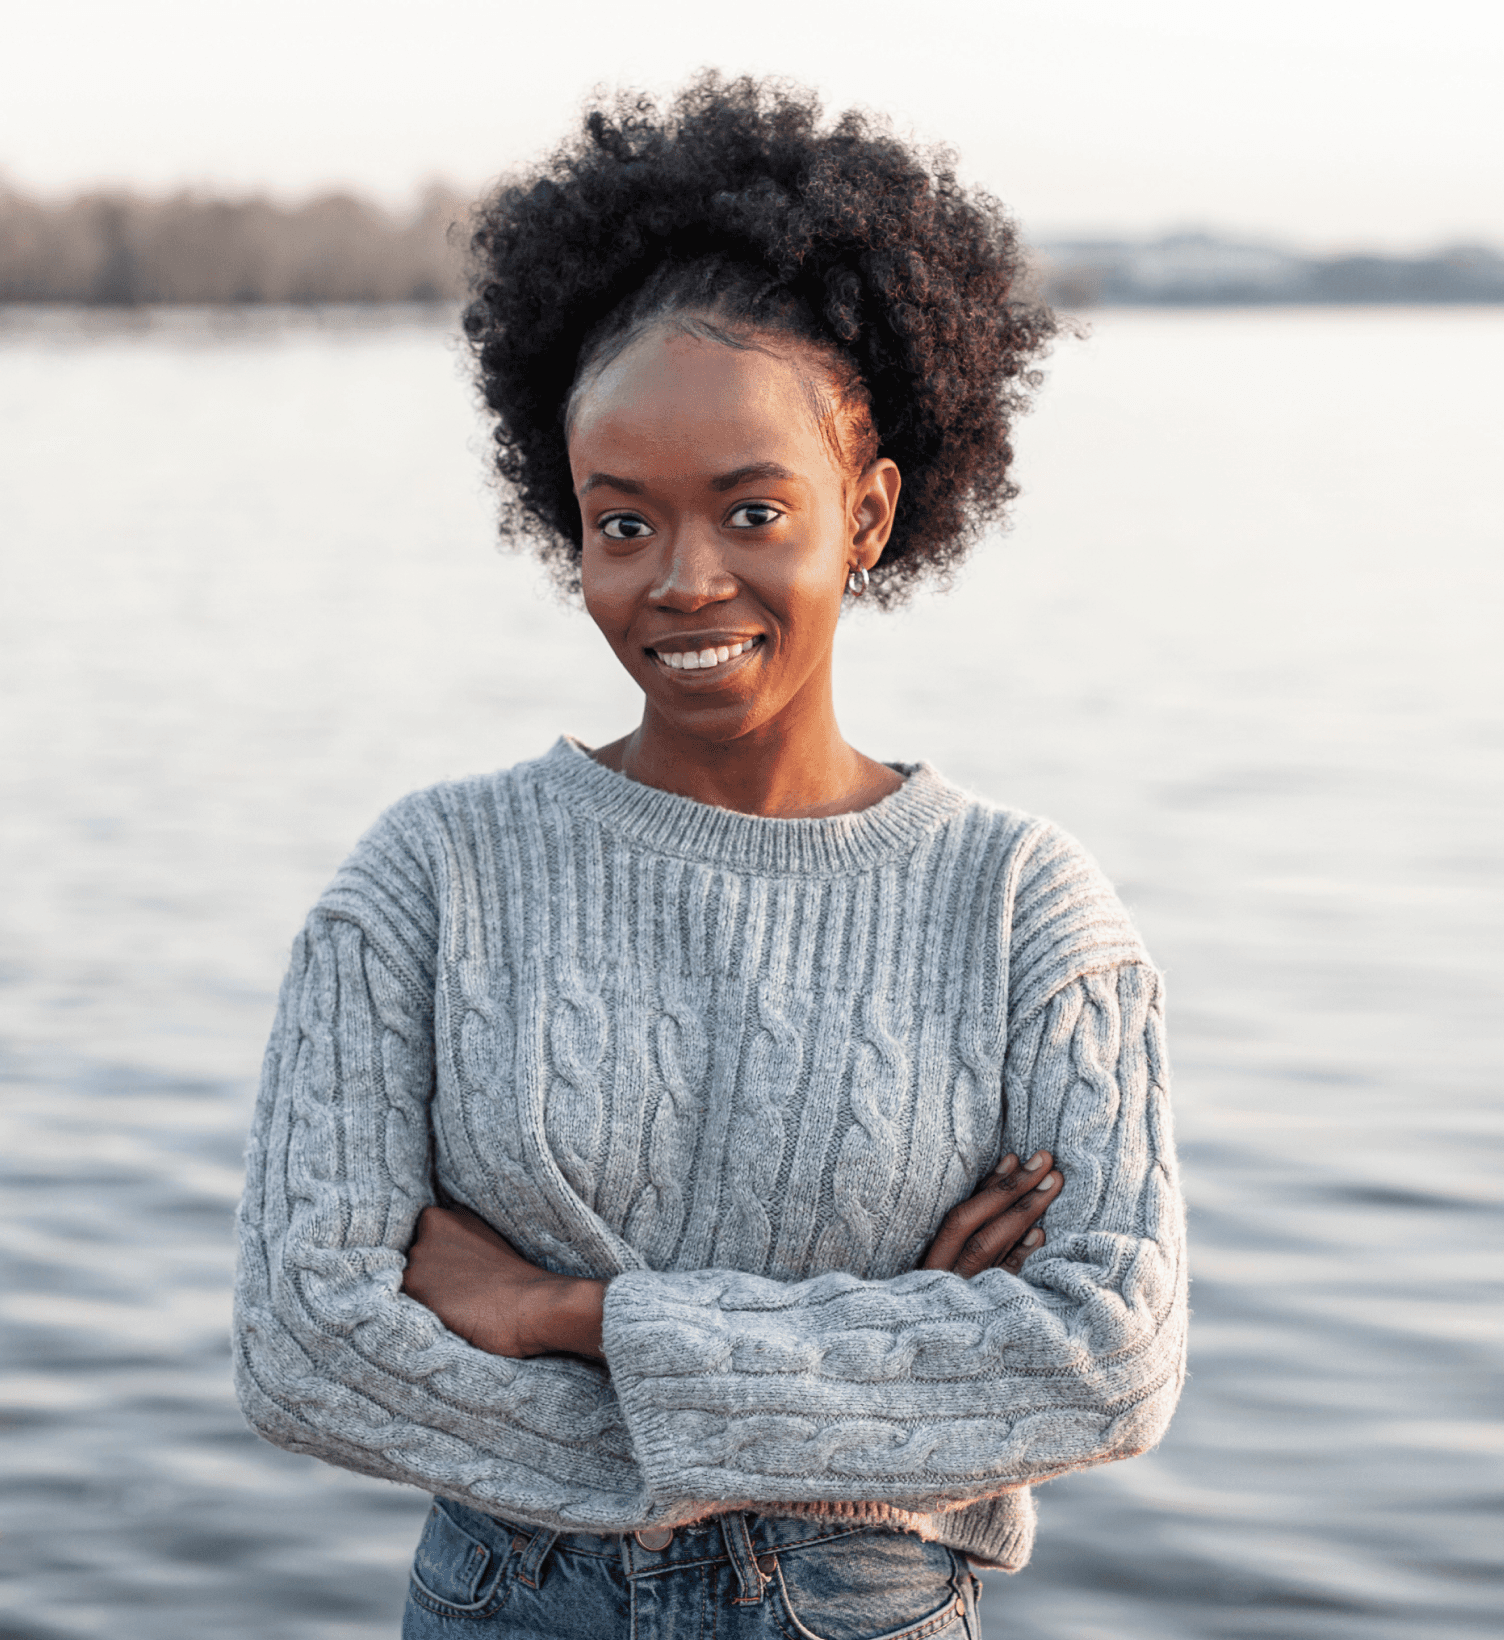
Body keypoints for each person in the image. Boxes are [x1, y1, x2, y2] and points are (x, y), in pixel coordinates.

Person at [233, 75, 1187, 1640]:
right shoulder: (430, 881)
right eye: (623, 524)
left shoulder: (1025, 912)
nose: (684, 581)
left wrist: (564, 1315)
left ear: (867, 513)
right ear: (570, 525)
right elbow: (306, 1346)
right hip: (511, 1610)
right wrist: (890, 1357)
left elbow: (1104, 1363)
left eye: (753, 509)